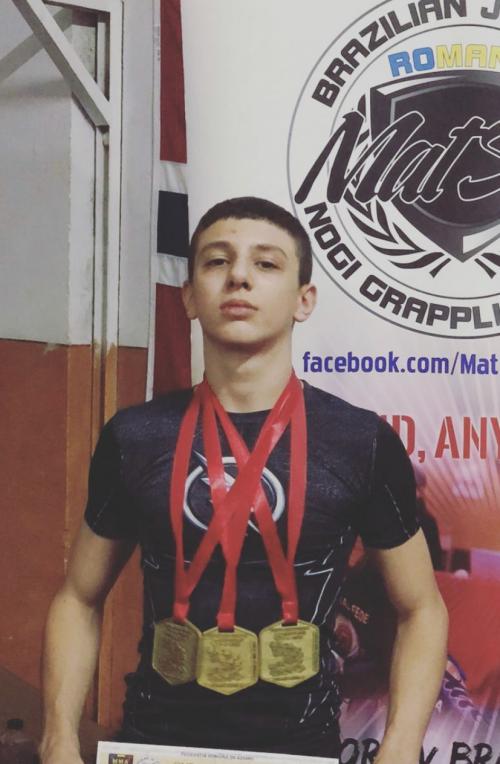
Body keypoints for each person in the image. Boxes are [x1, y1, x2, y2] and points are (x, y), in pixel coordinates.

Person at [40, 197, 448, 763]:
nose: (238, 276)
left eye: (266, 263)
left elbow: (421, 609)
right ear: (189, 296)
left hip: (301, 750)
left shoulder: (360, 442)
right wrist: (58, 737)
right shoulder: (135, 437)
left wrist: (400, 748)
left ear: (304, 300)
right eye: (217, 261)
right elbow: (79, 598)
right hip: (153, 743)